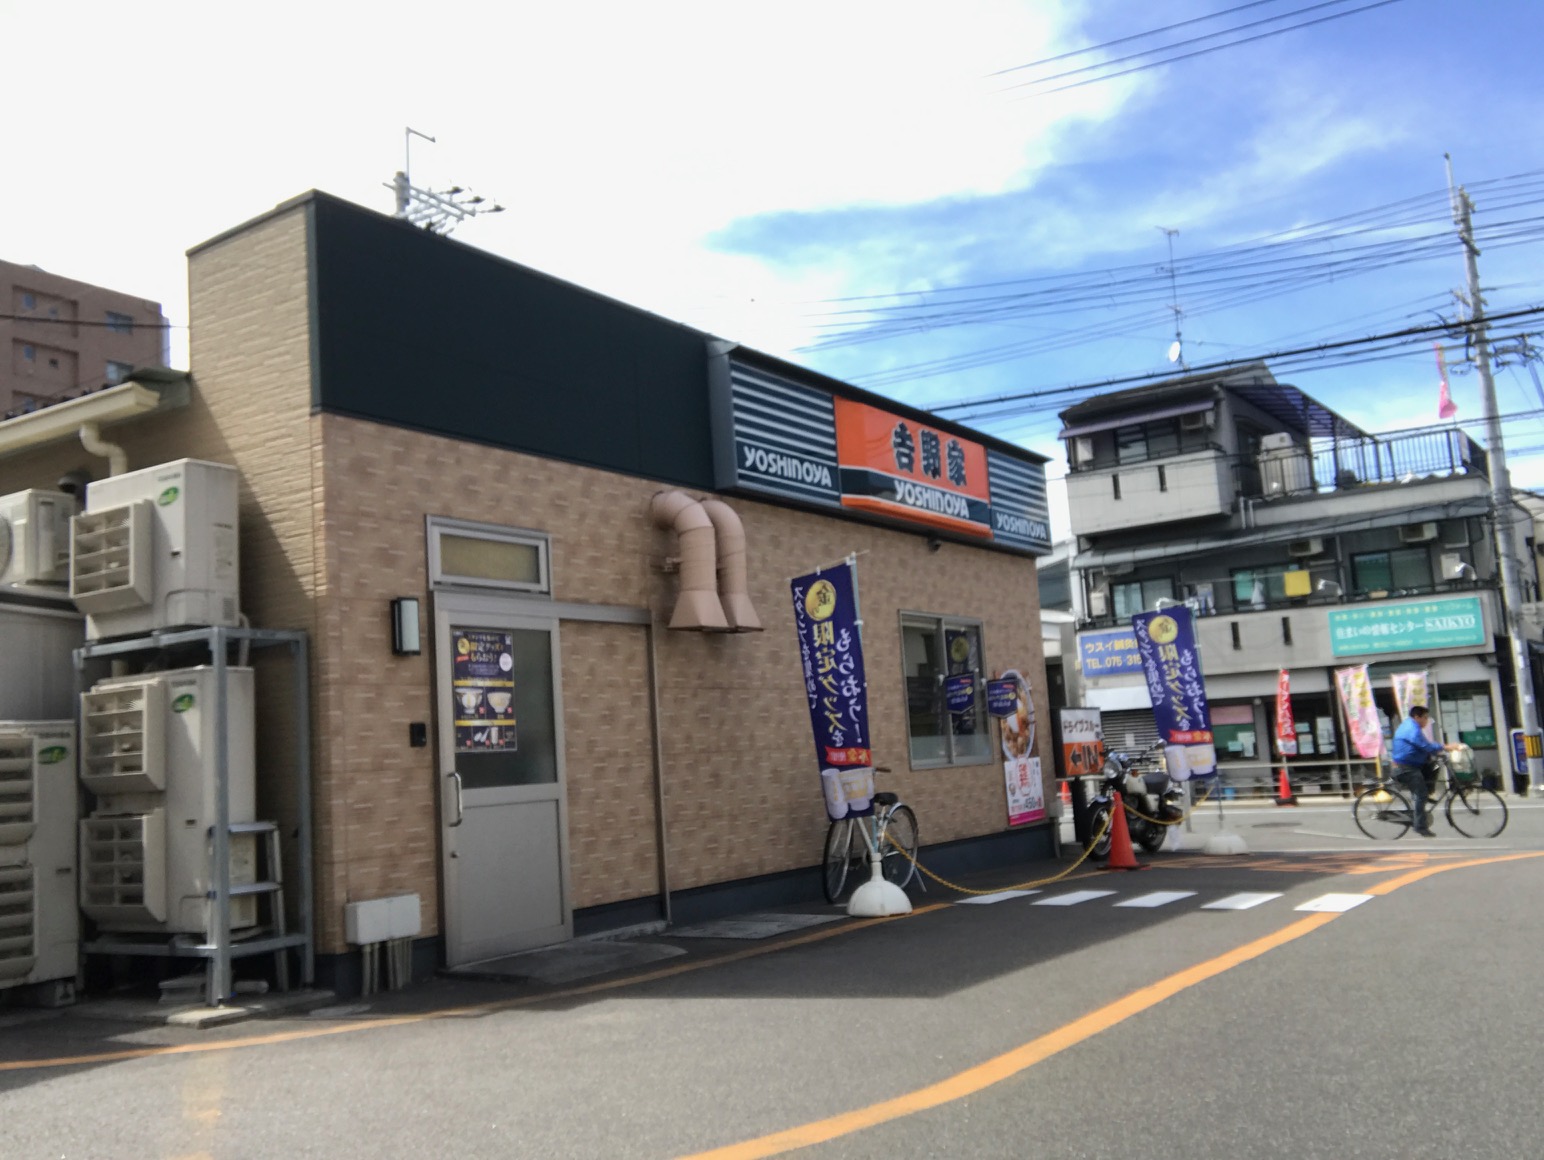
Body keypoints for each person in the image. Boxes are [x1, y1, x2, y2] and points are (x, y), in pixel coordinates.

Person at [1390, 706, 1454, 836]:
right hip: (1405, 768)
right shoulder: (1412, 729)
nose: (1427, 720)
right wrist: (1445, 747)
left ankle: (1426, 794)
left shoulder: (1411, 725)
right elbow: (1425, 745)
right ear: (1417, 717)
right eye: (1425, 717)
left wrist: (1437, 752)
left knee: (1434, 766)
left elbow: (1423, 746)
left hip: (1412, 764)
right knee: (1420, 794)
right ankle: (1419, 826)